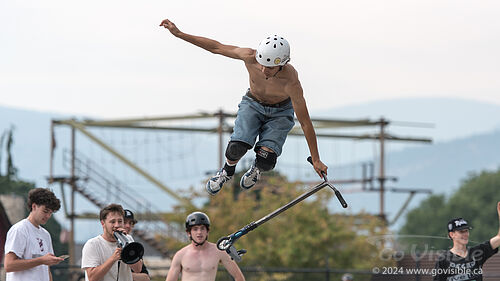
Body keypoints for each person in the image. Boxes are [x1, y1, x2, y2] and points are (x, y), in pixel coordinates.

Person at [160, 19, 328, 195]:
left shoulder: (291, 82)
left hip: (280, 112)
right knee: (236, 147)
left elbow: (305, 123)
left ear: (282, 64)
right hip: (253, 104)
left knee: (267, 160)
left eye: (270, 68)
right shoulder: (249, 56)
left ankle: (256, 169)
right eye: (262, 64)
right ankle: (226, 171)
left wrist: (316, 159)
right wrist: (179, 34)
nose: (264, 70)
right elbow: (216, 47)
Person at [4, 188, 64, 281]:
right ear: (34, 206)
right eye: (45, 211)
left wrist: (44, 261)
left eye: (50, 213)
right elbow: (9, 265)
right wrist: (41, 260)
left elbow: (46, 270)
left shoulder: (46, 234)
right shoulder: (19, 230)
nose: (48, 216)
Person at [165, 212, 245, 281]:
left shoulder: (219, 251)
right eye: (195, 229)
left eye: (202, 229)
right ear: (189, 233)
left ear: (207, 231)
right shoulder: (181, 255)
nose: (199, 232)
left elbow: (239, 278)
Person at [433, 202, 500, 281]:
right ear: (451, 234)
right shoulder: (443, 260)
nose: (465, 234)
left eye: (466, 231)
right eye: (461, 232)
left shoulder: (477, 252)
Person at [81, 203, 143, 281]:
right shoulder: (92, 244)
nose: (117, 225)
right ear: (103, 223)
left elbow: (138, 269)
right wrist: (113, 259)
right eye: (112, 222)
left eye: (120, 221)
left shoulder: (128, 239)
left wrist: (127, 245)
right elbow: (92, 277)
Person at [123, 209, 151, 281]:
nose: (128, 226)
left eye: (131, 223)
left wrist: (122, 276)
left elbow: (146, 277)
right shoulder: (102, 244)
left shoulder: (132, 246)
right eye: (124, 222)